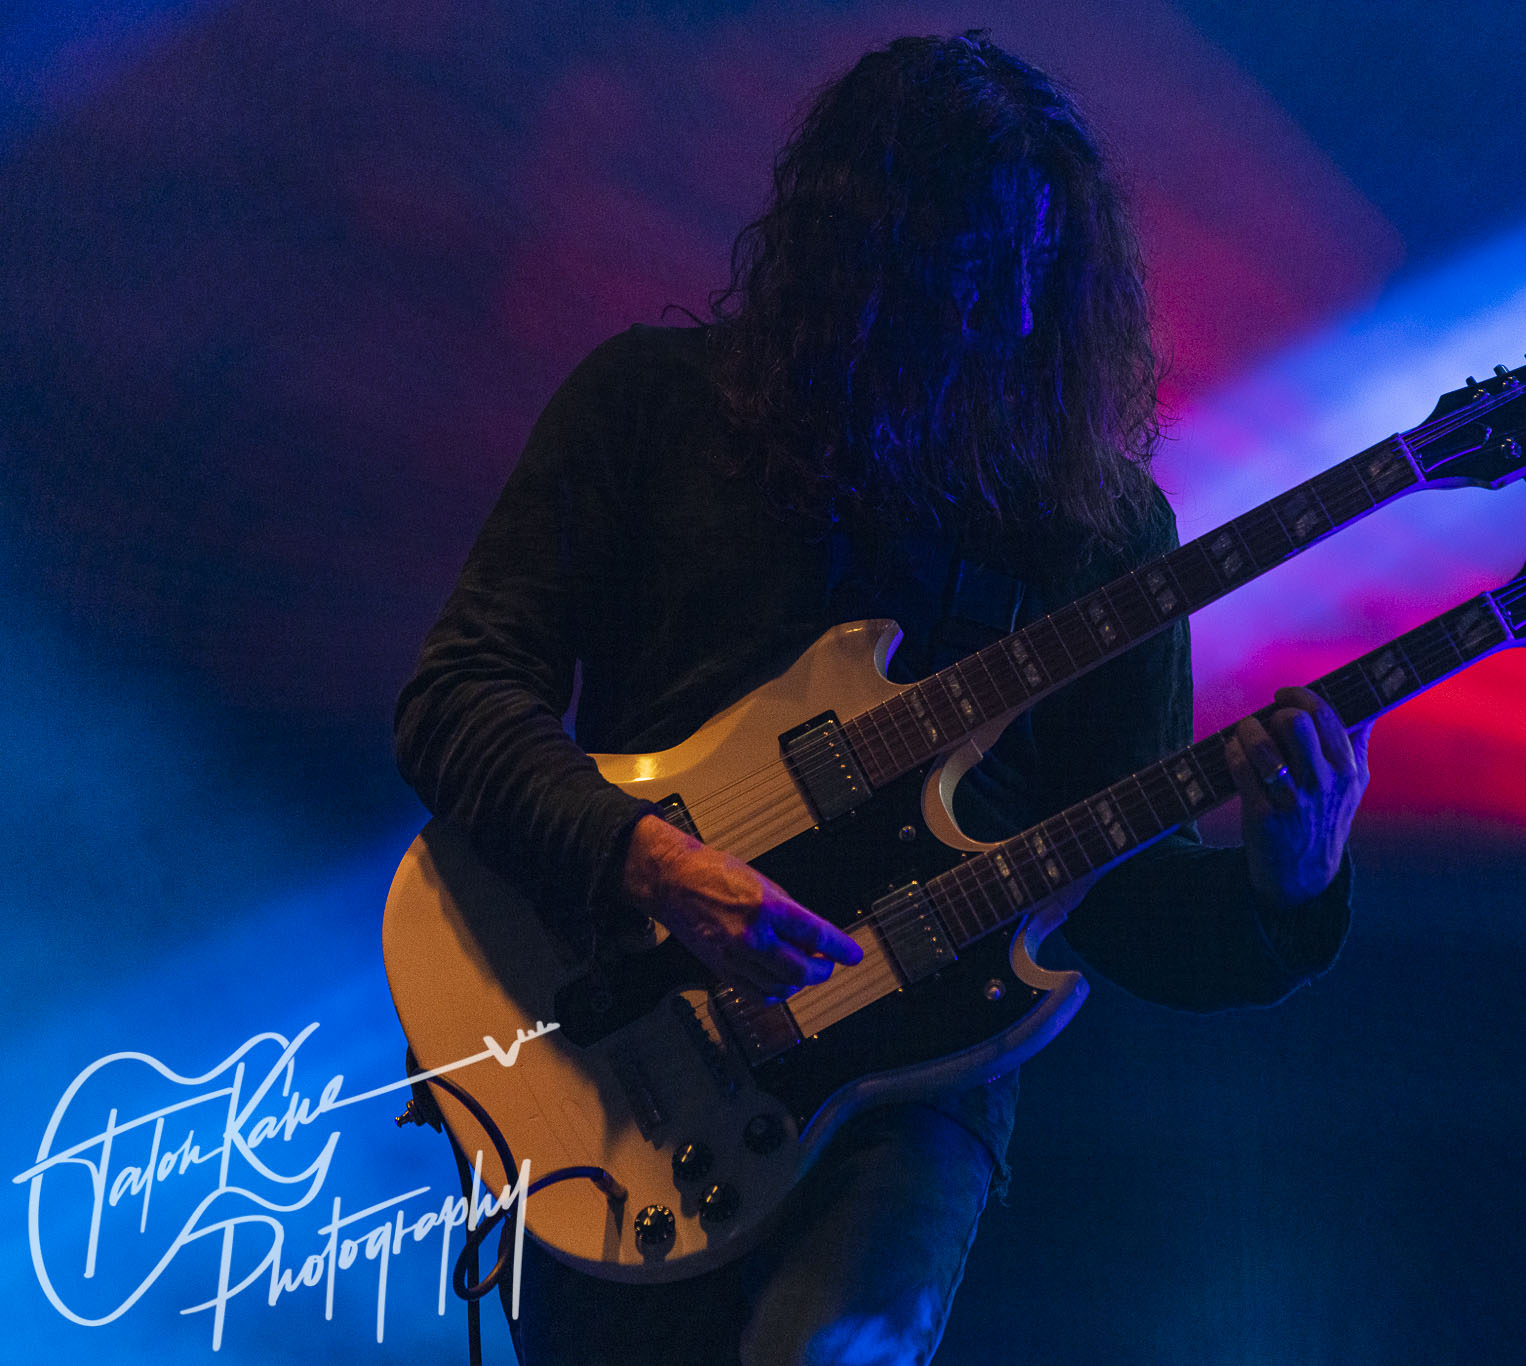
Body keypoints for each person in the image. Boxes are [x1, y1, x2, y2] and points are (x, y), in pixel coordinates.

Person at [395, 31, 1367, 1366]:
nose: (1009, 319)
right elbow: (456, 697)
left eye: (1039, 277)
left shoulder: (1096, 535)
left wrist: (1286, 885)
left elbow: (1123, 908)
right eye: (968, 269)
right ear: (859, 253)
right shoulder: (650, 410)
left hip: (909, 1097)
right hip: (616, 1048)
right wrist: (651, 860)